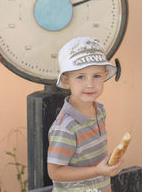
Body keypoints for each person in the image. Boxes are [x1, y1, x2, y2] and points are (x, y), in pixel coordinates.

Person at [47, 37, 124, 192]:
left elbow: (92, 158)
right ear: (66, 80)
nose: (90, 84)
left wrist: (106, 167)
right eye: (81, 77)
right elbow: (55, 172)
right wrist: (97, 171)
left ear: (104, 75)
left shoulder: (99, 111)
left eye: (96, 76)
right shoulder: (66, 127)